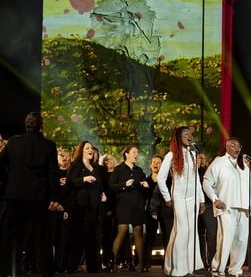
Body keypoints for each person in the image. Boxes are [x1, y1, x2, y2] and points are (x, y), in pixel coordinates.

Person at [0, 112, 59, 277]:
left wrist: (9, 181)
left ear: (26, 125)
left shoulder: (13, 142)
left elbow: (0, 162)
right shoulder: (49, 145)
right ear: (41, 126)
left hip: (15, 195)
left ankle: (6, 270)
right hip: (38, 197)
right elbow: (52, 174)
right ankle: (46, 271)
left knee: (10, 236)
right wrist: (55, 197)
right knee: (43, 236)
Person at [203, 137, 251, 276]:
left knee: (241, 240)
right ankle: (218, 268)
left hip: (244, 206)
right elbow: (206, 182)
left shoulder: (243, 165)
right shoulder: (218, 162)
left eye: (239, 146)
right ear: (226, 147)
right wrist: (215, 199)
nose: (237, 148)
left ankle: (235, 270)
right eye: (233, 145)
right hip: (226, 206)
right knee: (226, 238)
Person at [158, 125, 206, 276]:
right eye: (185, 134)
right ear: (178, 137)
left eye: (190, 134)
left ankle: (188, 267)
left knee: (190, 231)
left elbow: (196, 179)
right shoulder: (171, 155)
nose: (189, 136)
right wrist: (167, 197)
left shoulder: (192, 154)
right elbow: (160, 178)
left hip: (192, 198)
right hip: (178, 197)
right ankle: (178, 268)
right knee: (183, 230)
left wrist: (201, 199)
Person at [66, 140, 106, 273]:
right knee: (77, 238)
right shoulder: (76, 165)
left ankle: (93, 267)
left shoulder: (96, 168)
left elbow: (100, 185)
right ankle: (71, 266)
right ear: (81, 150)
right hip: (80, 208)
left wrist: (103, 194)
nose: (90, 150)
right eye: (87, 148)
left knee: (93, 239)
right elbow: (70, 182)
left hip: (94, 208)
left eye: (92, 148)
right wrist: (84, 179)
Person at [109, 145, 149, 272]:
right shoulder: (119, 169)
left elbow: (144, 187)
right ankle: (113, 262)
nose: (136, 154)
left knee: (138, 231)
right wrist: (124, 185)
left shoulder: (139, 170)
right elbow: (112, 186)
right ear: (126, 154)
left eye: (137, 152)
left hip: (137, 204)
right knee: (122, 230)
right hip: (123, 204)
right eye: (134, 152)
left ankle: (140, 264)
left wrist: (145, 185)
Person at [142, 155, 163, 271]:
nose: (155, 164)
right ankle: (146, 264)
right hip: (150, 212)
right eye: (153, 162)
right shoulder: (147, 180)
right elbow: (146, 198)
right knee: (150, 238)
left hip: (164, 211)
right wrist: (146, 187)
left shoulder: (165, 180)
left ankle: (167, 264)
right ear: (150, 165)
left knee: (166, 238)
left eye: (158, 162)